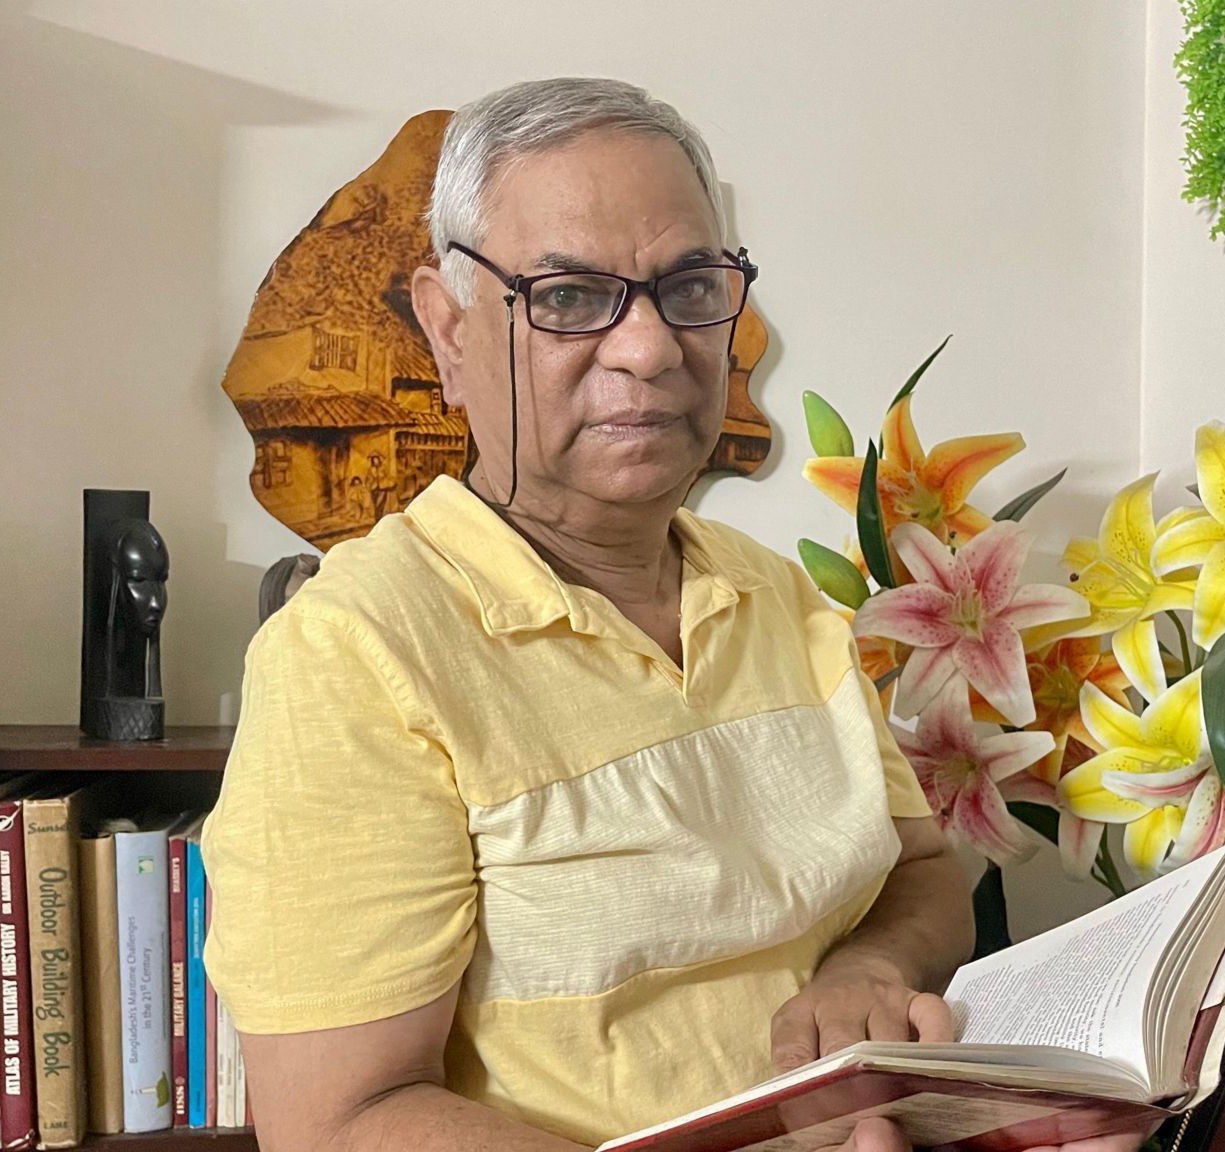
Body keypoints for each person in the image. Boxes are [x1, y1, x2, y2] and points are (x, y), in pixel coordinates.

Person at [200, 77, 1141, 1152]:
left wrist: (868, 971)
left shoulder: (773, 593)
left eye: (690, 283)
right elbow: (337, 1124)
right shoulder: (355, 653)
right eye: (563, 295)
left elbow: (920, 872)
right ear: (447, 330)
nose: (648, 348)